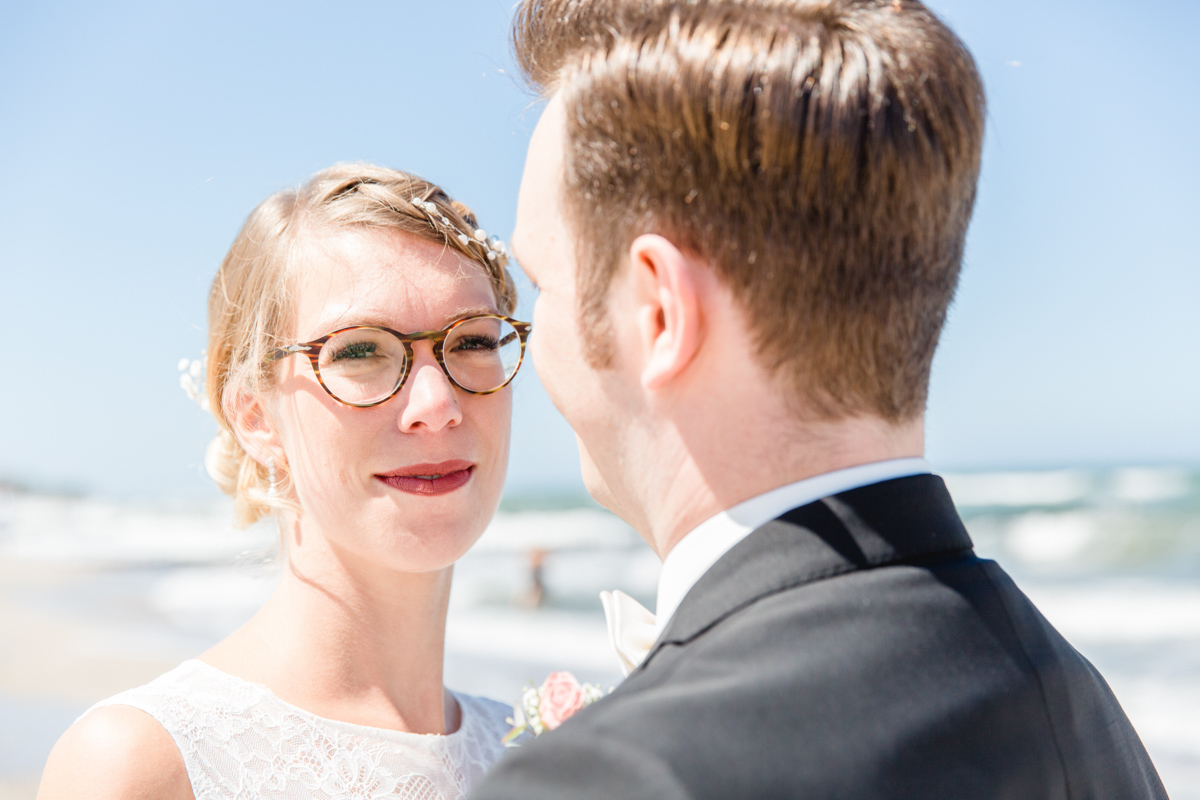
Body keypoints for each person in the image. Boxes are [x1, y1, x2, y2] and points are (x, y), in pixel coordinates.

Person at [470, 0, 1167, 798]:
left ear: (659, 312)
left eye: (542, 282)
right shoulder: (1077, 703)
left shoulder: (620, 778)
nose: (530, 332)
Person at [38, 163, 531, 800]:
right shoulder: (142, 766)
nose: (438, 403)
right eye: (360, 351)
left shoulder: (539, 757)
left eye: (472, 340)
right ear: (255, 416)